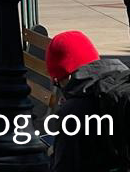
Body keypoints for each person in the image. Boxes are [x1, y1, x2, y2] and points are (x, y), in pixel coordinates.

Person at [45, 30, 127, 171]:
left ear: (68, 77)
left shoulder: (74, 112)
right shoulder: (123, 84)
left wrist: (53, 153)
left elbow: (64, 167)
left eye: (58, 83)